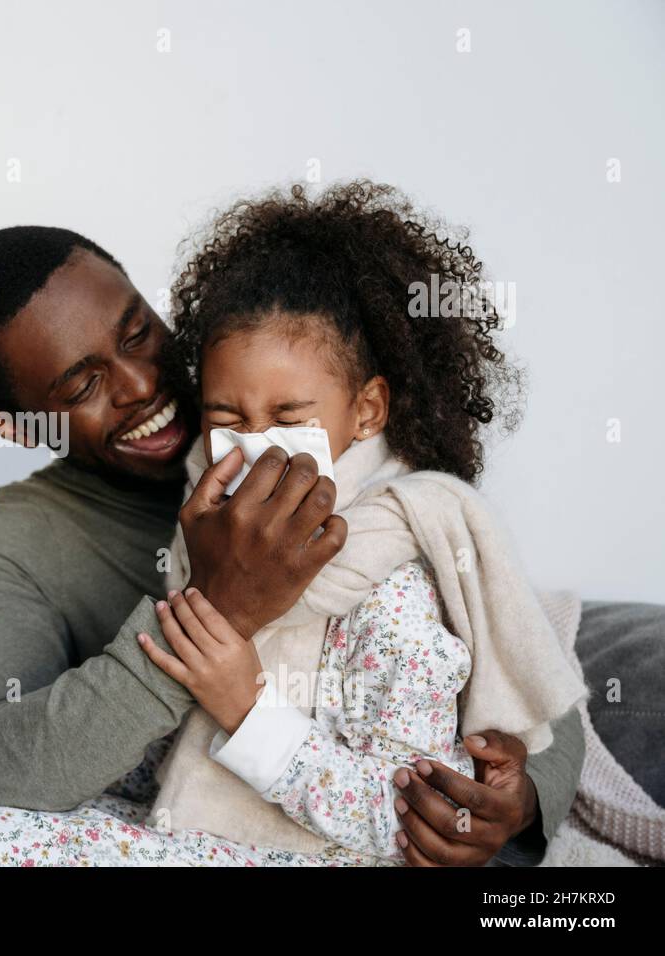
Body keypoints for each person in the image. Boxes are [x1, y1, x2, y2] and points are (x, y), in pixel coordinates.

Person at [0, 220, 584, 866]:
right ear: (21, 427)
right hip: (200, 819)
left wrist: (518, 800)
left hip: (317, 831)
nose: (141, 385)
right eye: (82, 386)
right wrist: (216, 607)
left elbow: (505, 658)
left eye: (137, 333)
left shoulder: (339, 446)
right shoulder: (32, 531)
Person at [135, 180, 587, 864]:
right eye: (228, 419)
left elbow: (409, 820)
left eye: (289, 419)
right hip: (182, 836)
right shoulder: (199, 536)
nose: (256, 443)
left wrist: (247, 706)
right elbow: (162, 757)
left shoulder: (393, 580)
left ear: (368, 412)